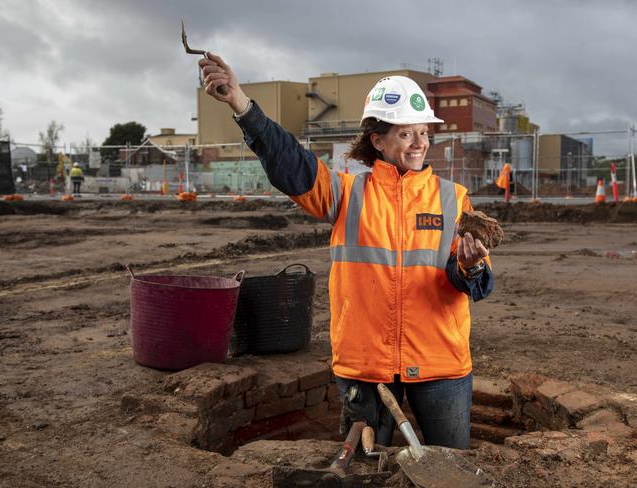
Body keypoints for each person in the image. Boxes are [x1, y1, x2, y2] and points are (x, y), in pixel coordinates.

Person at [201, 54, 493, 449]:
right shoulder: (345, 193)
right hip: (365, 368)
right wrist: (241, 104)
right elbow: (291, 163)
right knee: (364, 471)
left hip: (441, 366)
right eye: (406, 134)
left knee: (451, 466)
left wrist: (471, 266)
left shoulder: (453, 199)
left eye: (424, 133)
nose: (419, 144)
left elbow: (475, 285)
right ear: (378, 141)